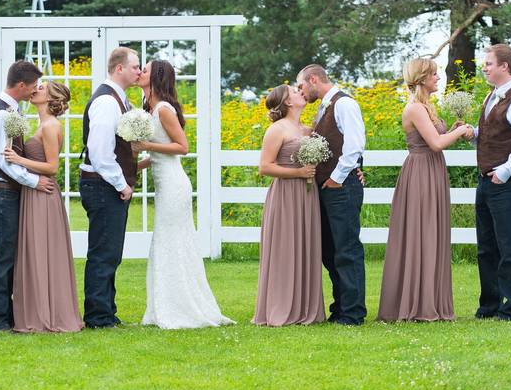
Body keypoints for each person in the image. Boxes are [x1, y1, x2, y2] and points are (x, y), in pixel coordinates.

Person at [134, 60, 234, 329]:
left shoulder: (164, 109)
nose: (139, 72)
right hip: (163, 181)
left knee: (172, 241)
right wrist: (137, 164)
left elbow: (182, 147)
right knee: (164, 241)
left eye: (144, 69)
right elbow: (156, 155)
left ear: (155, 76)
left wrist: (145, 145)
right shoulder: (149, 108)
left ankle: (181, 309)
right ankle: (162, 306)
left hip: (174, 185)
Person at [378, 58, 472, 322]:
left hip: (433, 171)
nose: (438, 78)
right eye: (434, 74)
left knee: (432, 231)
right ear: (421, 78)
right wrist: (462, 130)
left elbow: (439, 138)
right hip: (420, 173)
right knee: (421, 232)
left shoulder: (428, 106)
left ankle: (430, 298)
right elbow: (435, 144)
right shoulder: (416, 108)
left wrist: (452, 129)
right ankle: (417, 303)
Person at [463, 44, 511, 321]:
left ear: (504, 66)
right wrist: (472, 133)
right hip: (487, 183)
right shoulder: (492, 97)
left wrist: (505, 172)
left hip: (509, 183)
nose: (484, 67)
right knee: (486, 247)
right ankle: (490, 306)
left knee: (510, 248)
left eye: (488, 63)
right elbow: (495, 135)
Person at [0, 61, 56, 331]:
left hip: (8, 193)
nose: (35, 90)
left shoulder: (12, 111)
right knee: (0, 256)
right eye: (33, 86)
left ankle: (8, 314)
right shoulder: (1, 115)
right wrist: (35, 181)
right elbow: (4, 161)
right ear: (21, 85)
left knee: (8, 255)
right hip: (0, 193)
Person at [3, 81, 83, 333]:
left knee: (42, 250)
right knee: (34, 250)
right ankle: (37, 309)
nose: (36, 89)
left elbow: (52, 167)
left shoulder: (50, 126)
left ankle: (49, 314)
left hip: (43, 195)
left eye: (43, 87)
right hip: (33, 192)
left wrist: (18, 159)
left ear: (51, 98)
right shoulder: (40, 123)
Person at [296, 64, 367, 325]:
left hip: (341, 187)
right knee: (329, 250)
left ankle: (353, 312)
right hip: (327, 188)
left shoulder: (344, 104)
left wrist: (338, 178)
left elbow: (355, 144)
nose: (300, 91)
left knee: (346, 249)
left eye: (301, 85)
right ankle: (341, 307)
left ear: (313, 79)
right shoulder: (323, 107)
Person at [252, 84, 325, 326]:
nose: (300, 92)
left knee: (305, 245)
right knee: (286, 247)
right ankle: (282, 306)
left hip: (307, 195)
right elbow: (265, 167)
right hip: (285, 194)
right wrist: (298, 172)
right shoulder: (277, 129)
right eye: (294, 91)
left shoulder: (307, 129)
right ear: (287, 102)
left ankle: (305, 306)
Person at [79, 47, 141, 328]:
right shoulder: (106, 101)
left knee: (110, 252)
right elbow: (100, 151)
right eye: (135, 67)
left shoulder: (119, 100)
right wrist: (122, 184)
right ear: (119, 69)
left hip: (105, 185)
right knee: (104, 252)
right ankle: (98, 316)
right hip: (103, 186)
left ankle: (107, 311)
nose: (139, 72)